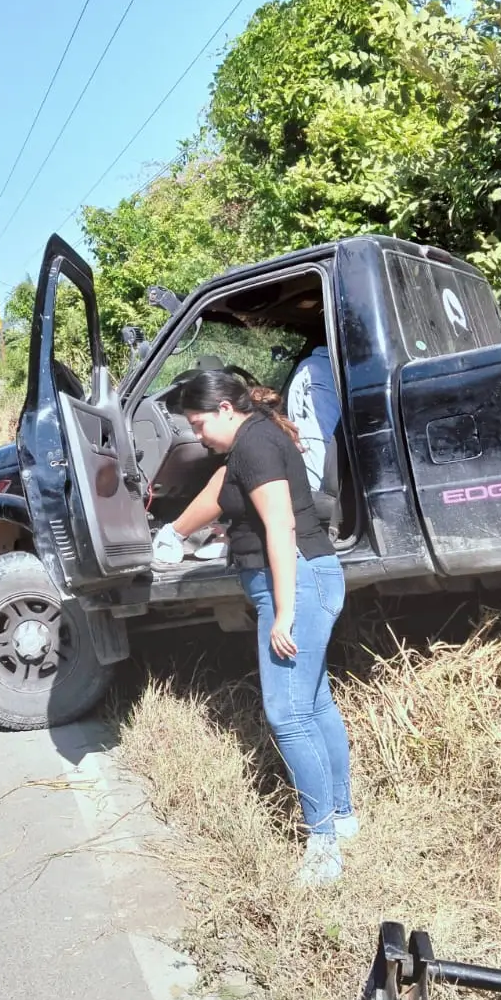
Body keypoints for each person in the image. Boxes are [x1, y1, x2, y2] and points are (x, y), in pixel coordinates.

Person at [153, 369, 353, 885]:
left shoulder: (256, 443)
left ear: (225, 410)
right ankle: (343, 817)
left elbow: (281, 525)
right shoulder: (251, 440)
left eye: (199, 424)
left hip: (297, 583)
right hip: (305, 579)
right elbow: (225, 491)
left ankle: (324, 845)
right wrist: (180, 532)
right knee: (314, 705)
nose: (198, 436)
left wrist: (284, 611)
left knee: (288, 715)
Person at [286, 343, 341, 491]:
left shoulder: (309, 367)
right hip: (342, 446)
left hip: (313, 442)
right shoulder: (351, 369)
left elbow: (294, 411)